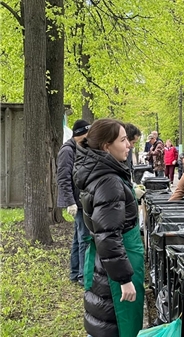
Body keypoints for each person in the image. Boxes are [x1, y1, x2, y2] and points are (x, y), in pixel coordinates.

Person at [73, 119, 144, 337]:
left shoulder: (100, 171)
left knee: (102, 322)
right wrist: (124, 280)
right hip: (116, 268)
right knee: (117, 324)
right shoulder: (109, 181)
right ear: (106, 146)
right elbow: (109, 236)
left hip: (107, 264)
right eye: (123, 140)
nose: (128, 145)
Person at [57, 119, 91, 287]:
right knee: (84, 238)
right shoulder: (67, 150)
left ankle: (75, 273)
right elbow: (63, 178)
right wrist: (70, 201)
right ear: (80, 135)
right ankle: (83, 276)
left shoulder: (79, 147)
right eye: (86, 135)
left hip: (80, 199)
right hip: (75, 201)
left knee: (78, 239)